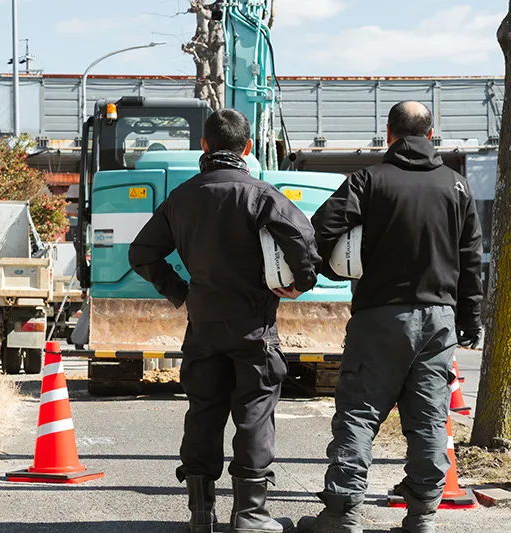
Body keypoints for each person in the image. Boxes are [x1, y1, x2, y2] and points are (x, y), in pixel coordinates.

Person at [129, 108, 321, 533]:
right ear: (247, 148)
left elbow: (141, 254)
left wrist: (182, 292)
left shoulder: (182, 197)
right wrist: (298, 284)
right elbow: (304, 242)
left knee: (204, 411)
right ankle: (250, 514)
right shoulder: (261, 195)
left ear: (205, 146)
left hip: (203, 322)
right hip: (253, 322)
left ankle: (201, 514)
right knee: (254, 412)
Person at [297, 101, 483, 533]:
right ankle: (422, 516)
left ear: (389, 133)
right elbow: (470, 258)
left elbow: (319, 231)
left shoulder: (367, 180)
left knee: (359, 413)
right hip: (439, 319)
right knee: (429, 417)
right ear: (431, 134)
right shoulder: (456, 186)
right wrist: (470, 319)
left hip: (379, 315)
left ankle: (342, 514)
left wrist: (322, 270)